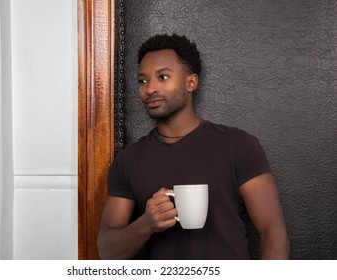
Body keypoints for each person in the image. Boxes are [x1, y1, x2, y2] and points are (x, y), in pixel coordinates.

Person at [97, 33, 289, 259]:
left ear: (191, 82)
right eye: (143, 80)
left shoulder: (238, 146)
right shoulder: (128, 161)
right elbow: (107, 252)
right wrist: (146, 224)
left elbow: (272, 232)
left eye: (163, 77)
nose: (150, 89)